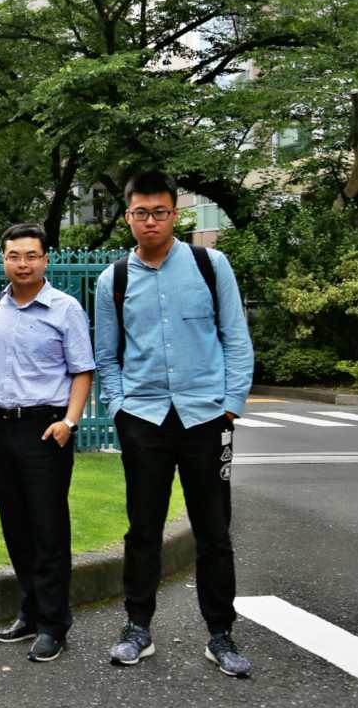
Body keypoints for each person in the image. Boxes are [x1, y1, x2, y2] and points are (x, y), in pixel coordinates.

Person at [95, 170, 254, 677]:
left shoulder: (210, 265)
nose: (151, 222)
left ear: (174, 214)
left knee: (214, 531)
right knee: (143, 528)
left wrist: (231, 405)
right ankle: (136, 628)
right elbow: (107, 355)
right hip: (143, 418)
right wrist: (119, 408)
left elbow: (235, 337)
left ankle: (220, 633)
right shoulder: (114, 279)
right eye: (141, 213)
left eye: (160, 212)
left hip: (206, 416)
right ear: (128, 217)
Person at [0, 223, 95, 663]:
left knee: (48, 528)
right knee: (15, 526)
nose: (22, 264)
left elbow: (83, 370)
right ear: (3, 260)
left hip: (46, 429)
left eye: (31, 256)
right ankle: (29, 611)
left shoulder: (65, 309)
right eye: (14, 256)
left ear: (46, 259)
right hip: (2, 427)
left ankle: (54, 623)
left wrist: (69, 422)